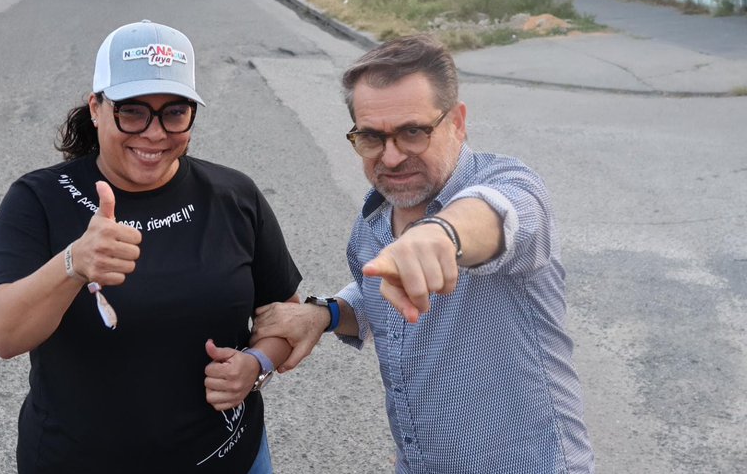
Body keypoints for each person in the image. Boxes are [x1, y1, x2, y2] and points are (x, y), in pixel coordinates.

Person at [252, 34, 593, 473]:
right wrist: (326, 314)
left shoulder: (509, 184)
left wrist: (441, 234)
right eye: (372, 137)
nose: (391, 157)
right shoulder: (373, 225)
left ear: (458, 122)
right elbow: (382, 293)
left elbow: (501, 216)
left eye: (413, 132)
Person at [0, 20, 302, 474]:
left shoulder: (234, 196)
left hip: (229, 459)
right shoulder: (38, 199)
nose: (154, 133)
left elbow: (285, 315)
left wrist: (256, 363)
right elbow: (6, 336)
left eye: (174, 112)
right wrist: (73, 264)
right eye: (131, 111)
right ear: (96, 108)